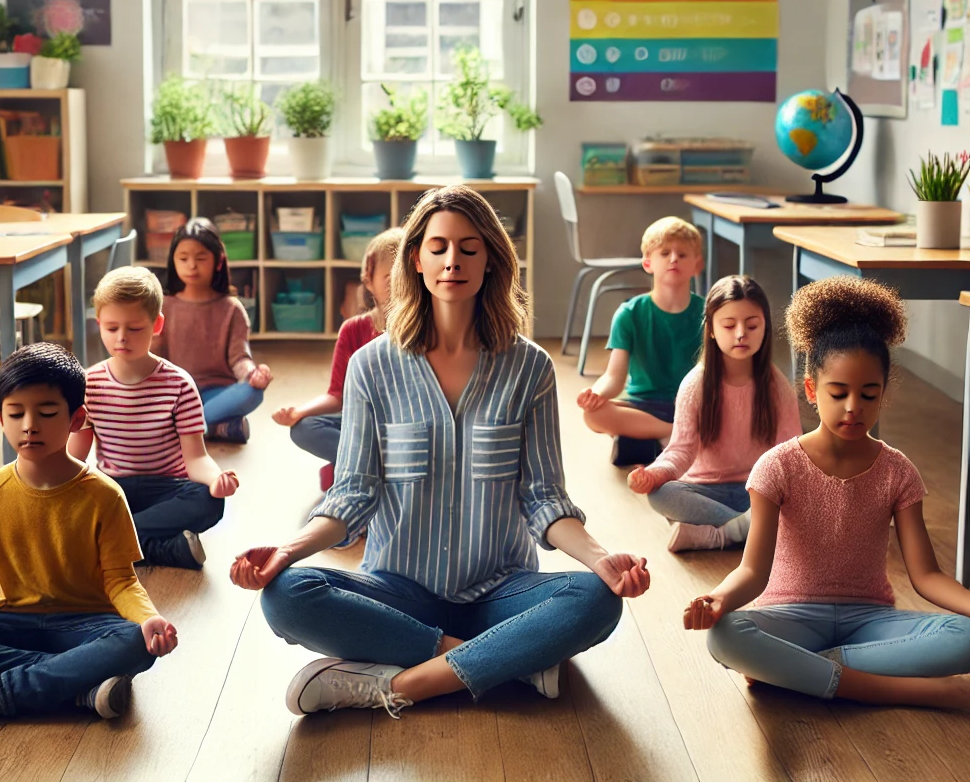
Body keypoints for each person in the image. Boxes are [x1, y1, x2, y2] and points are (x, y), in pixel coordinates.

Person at [231, 185, 649, 718]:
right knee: (287, 593)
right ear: (416, 259)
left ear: (492, 261)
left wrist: (600, 558)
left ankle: (399, 685)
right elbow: (352, 495)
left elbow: (544, 498)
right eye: (439, 247)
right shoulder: (371, 366)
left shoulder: (531, 368)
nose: (454, 261)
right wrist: (287, 551)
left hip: (502, 595)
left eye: (470, 248)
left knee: (596, 599)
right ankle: (506, 663)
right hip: (399, 591)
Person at [683, 276, 970, 710]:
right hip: (791, 614)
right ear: (813, 391)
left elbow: (927, 577)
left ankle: (798, 671)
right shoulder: (778, 466)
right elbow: (753, 572)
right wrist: (719, 598)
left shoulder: (898, 471)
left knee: (964, 637)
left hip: (871, 620)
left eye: (868, 394)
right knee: (725, 634)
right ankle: (920, 692)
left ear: (883, 396)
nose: (853, 406)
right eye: (839, 393)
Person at [0, 344, 177, 725]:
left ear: (76, 418)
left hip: (85, 627)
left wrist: (149, 618)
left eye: (47, 412)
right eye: (16, 414)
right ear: (0, 418)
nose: (29, 425)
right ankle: (78, 684)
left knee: (136, 641)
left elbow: (120, 581)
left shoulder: (104, 494)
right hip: (14, 624)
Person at [70, 266, 240, 571]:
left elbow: (196, 458)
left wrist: (216, 480)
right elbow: (75, 458)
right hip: (113, 489)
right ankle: (161, 549)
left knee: (209, 500)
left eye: (134, 328)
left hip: (167, 488)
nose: (121, 338)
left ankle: (106, 542)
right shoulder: (88, 383)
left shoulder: (179, 384)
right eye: (111, 328)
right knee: (67, 504)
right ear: (99, 324)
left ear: (156, 324)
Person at [627, 276, 801, 553]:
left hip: (758, 492)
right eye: (729, 325)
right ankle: (749, 531)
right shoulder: (696, 384)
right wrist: (654, 475)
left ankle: (719, 535)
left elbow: (791, 453)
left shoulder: (776, 386)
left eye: (752, 325)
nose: (741, 333)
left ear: (765, 327)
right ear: (711, 329)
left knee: (805, 496)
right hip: (706, 490)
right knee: (662, 494)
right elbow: (680, 450)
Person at [273, 228, 403, 492]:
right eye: (391, 280)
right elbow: (336, 395)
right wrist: (299, 412)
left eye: (410, 279)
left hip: (405, 431)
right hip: (362, 427)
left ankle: (349, 470)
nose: (403, 288)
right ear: (369, 281)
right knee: (304, 428)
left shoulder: (429, 327)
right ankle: (371, 469)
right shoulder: (353, 330)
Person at [578, 216, 705, 466]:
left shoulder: (708, 313)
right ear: (648, 262)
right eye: (665, 252)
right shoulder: (629, 314)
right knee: (594, 415)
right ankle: (671, 434)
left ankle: (665, 438)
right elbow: (614, 377)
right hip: (644, 407)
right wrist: (596, 394)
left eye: (682, 254)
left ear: (697, 265)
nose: (673, 259)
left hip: (695, 406)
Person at [152, 217, 272, 443]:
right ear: (173, 261)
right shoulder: (163, 305)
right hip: (177, 394)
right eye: (183, 258)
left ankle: (183, 430)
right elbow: (155, 358)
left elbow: (239, 357)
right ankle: (219, 427)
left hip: (219, 393)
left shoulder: (232, 308)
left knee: (252, 393)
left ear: (218, 262)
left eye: (201, 258)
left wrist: (252, 374)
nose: (192, 266)